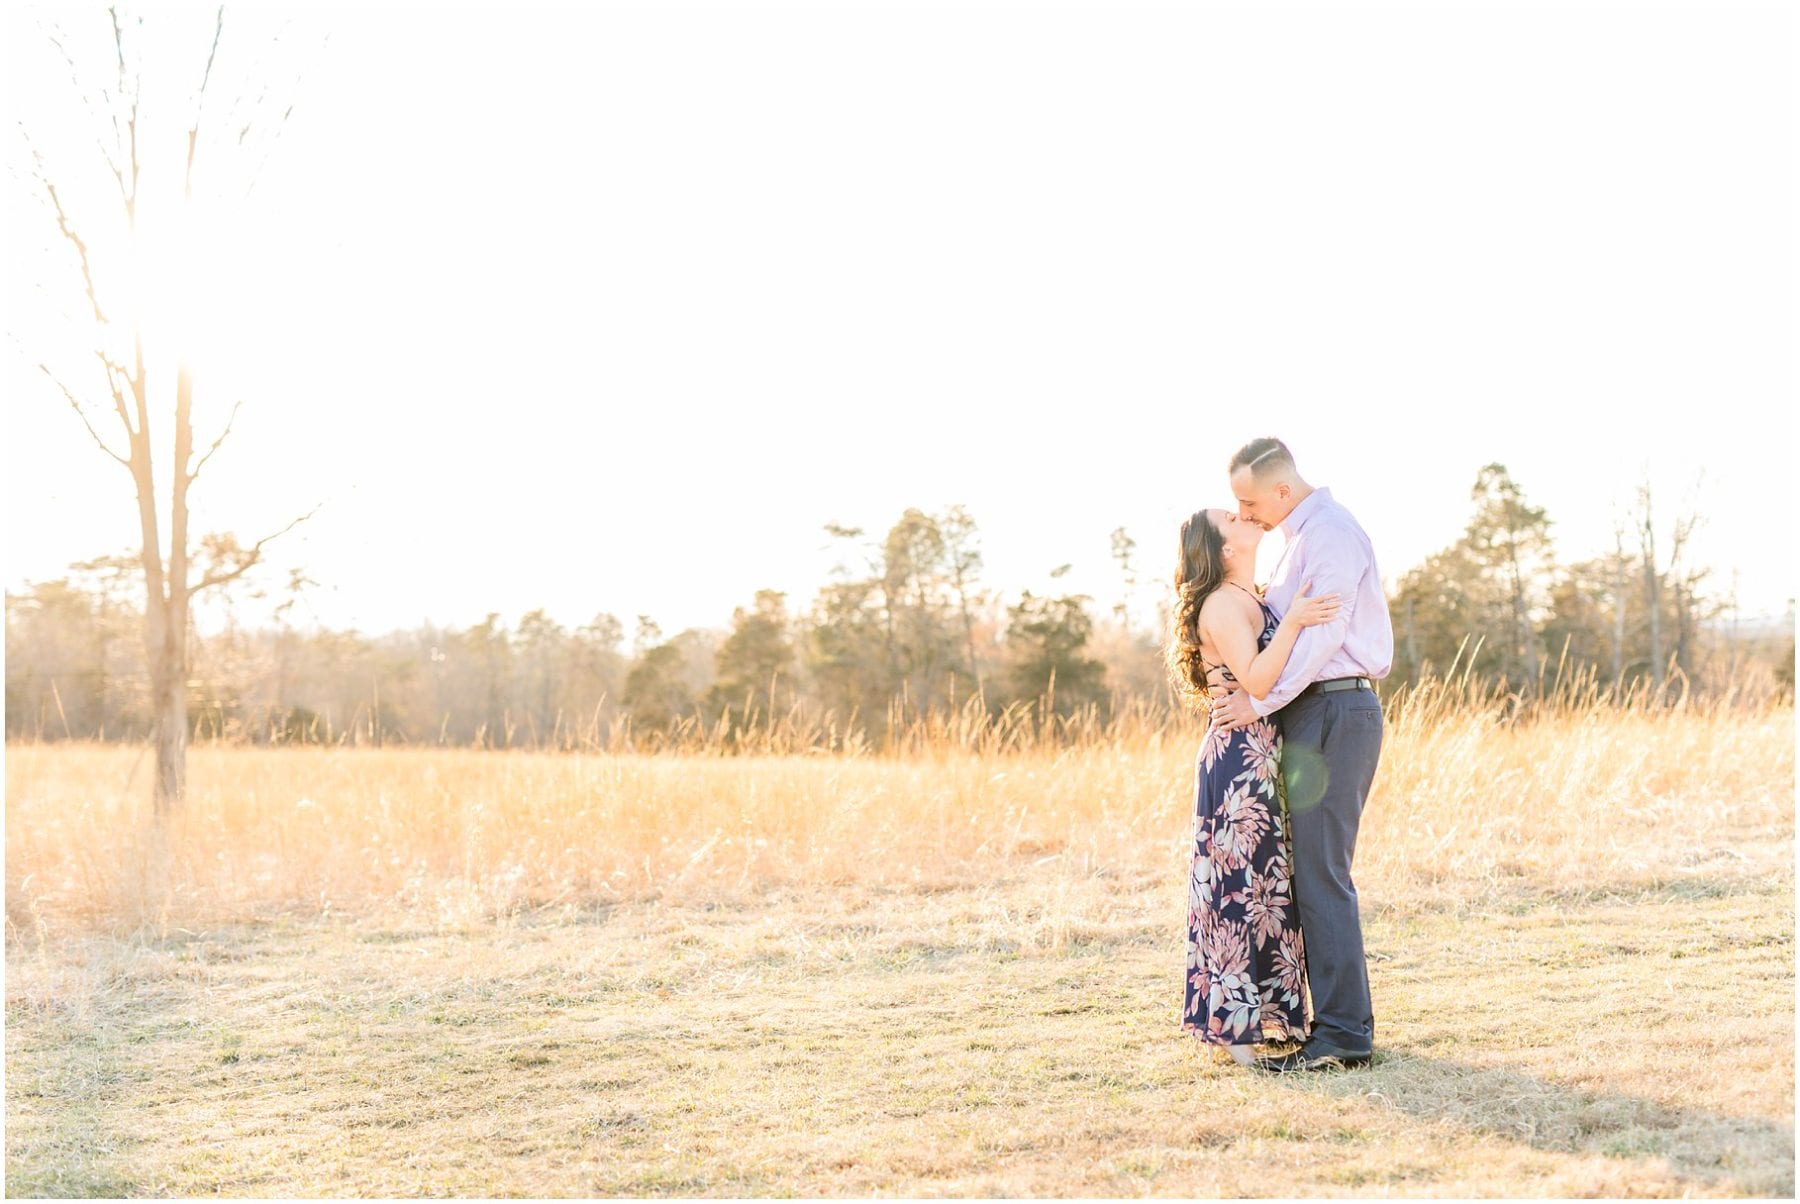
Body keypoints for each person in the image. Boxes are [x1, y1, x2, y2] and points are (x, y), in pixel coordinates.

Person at [1210, 436, 1394, 1073]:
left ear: (1282, 490)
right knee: (1307, 872)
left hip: (1335, 709)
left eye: (1248, 499)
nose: (1243, 510)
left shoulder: (1331, 536)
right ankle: (1326, 1022)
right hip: (1310, 713)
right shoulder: (1295, 542)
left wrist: (1261, 704)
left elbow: (1323, 639)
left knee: (1322, 873)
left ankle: (1344, 1034)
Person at [1168, 505, 1341, 1065]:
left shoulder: (1253, 594)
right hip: (1238, 760)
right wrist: (1295, 621)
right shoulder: (1220, 604)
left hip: (1264, 754)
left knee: (1266, 891)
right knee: (1238, 890)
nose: (1246, 515)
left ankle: (1263, 1019)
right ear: (1223, 549)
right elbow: (1259, 678)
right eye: (1232, 518)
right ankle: (1235, 1035)